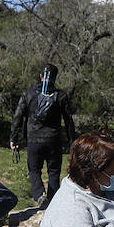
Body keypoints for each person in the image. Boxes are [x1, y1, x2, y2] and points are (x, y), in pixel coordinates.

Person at [10, 64, 77, 207]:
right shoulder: (61, 96)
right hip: (54, 140)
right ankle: (53, 201)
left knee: (34, 170)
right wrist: (72, 141)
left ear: (41, 76)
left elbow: (18, 116)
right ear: (54, 78)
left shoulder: (28, 94)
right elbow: (68, 121)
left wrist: (14, 138)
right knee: (54, 171)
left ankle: (40, 195)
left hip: (34, 139)